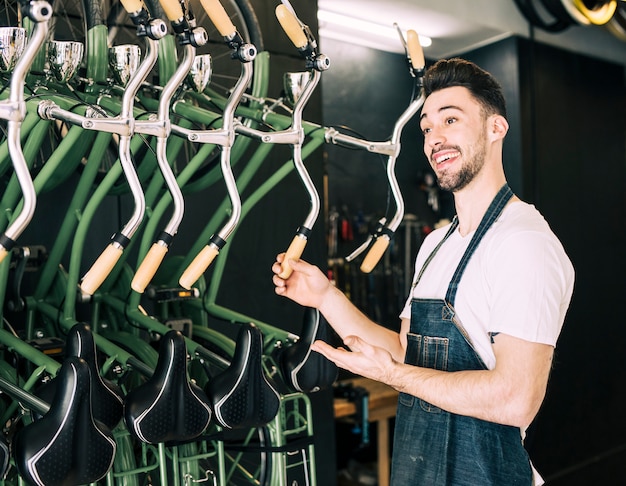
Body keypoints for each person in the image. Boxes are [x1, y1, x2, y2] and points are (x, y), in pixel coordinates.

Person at [272, 58, 575, 485]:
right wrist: (326, 297)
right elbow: (405, 351)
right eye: (428, 127)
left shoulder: (523, 242)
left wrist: (391, 376)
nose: (435, 138)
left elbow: (515, 399)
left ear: (495, 129)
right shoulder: (436, 244)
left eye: (451, 119)